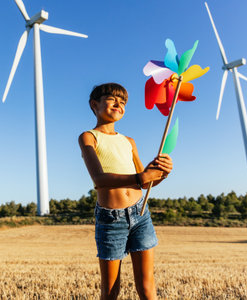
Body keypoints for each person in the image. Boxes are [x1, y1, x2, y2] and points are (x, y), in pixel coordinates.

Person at [78, 83, 173, 300]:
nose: (119, 104)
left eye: (123, 102)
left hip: (140, 214)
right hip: (112, 219)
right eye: (112, 99)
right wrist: (142, 177)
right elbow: (99, 180)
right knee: (111, 291)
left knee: (147, 286)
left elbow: (146, 184)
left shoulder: (129, 141)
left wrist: (161, 173)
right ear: (94, 104)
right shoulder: (89, 137)